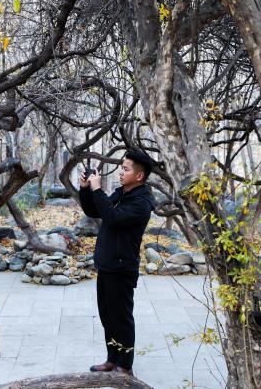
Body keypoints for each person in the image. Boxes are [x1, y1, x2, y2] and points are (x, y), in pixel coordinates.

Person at [78, 149, 156, 376]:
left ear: (139, 176)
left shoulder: (141, 203)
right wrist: (86, 189)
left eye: (126, 169)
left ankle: (125, 366)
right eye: (122, 168)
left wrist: (98, 189)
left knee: (121, 319)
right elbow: (94, 210)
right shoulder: (121, 193)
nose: (121, 172)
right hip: (107, 264)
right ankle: (112, 359)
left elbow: (112, 217)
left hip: (122, 268)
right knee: (108, 316)